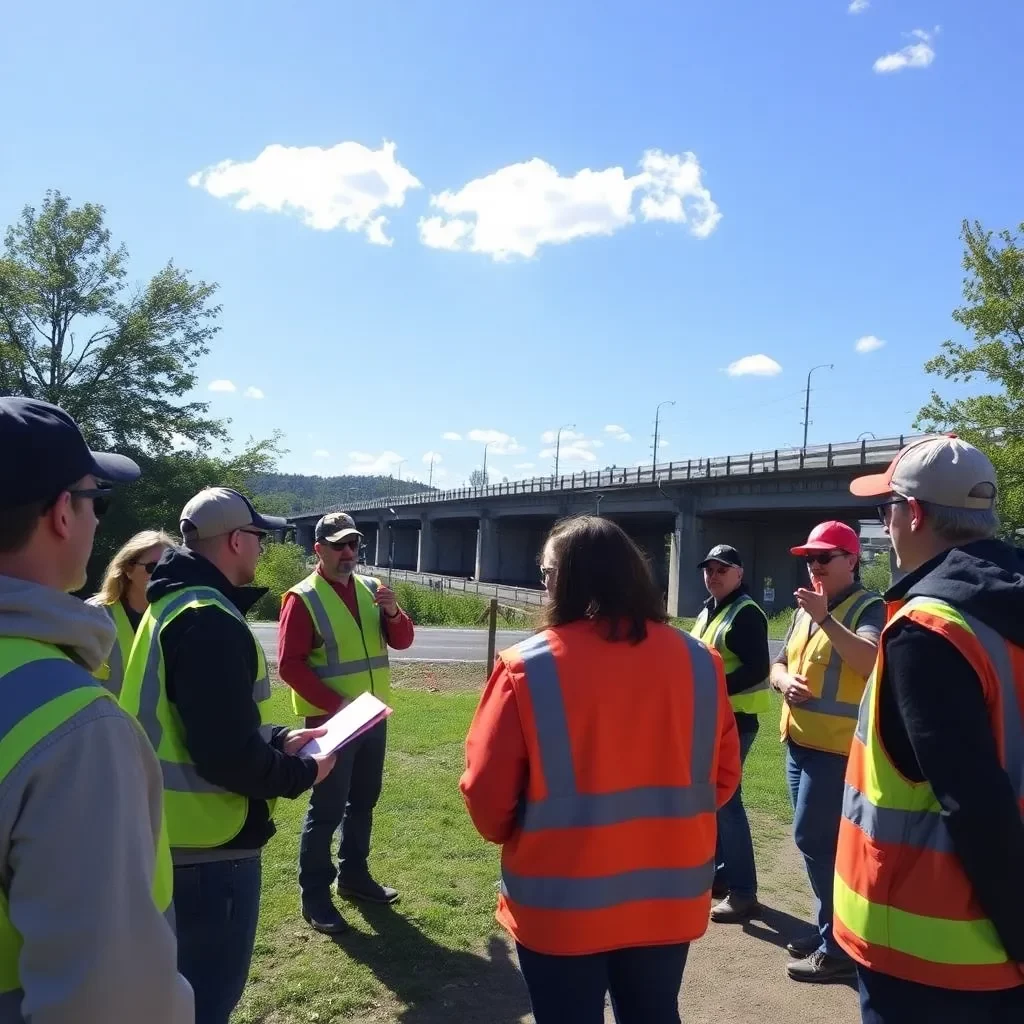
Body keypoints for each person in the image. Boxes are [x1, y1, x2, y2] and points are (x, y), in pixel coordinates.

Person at [460, 515, 741, 1024]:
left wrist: (516, 832)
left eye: (547, 574)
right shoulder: (701, 661)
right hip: (668, 898)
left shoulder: (526, 667)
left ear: (566, 580)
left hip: (561, 900)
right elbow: (721, 778)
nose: (542, 585)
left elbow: (486, 792)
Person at [0, 396, 193, 1023]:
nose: (96, 521)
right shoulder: (72, 728)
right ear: (62, 512)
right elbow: (106, 1001)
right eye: (96, 501)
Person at [118, 487, 336, 1024]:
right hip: (207, 850)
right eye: (258, 538)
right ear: (236, 540)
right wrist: (302, 771)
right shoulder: (206, 617)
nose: (261, 549)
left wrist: (278, 737)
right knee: (206, 1003)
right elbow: (222, 755)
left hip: (167, 835)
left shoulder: (170, 603)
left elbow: (201, 722)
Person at [835, 435, 1024, 1022]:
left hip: (934, 956)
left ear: (912, 514)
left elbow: (973, 802)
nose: (885, 525)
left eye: (884, 509)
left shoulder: (929, 629)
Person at [278, 512, 413, 934]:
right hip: (330, 724)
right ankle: (315, 894)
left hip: (373, 720)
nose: (348, 553)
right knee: (328, 808)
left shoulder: (373, 590)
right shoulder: (302, 598)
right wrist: (337, 705)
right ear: (318, 549)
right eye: (338, 545)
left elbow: (404, 640)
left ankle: (354, 876)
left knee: (364, 801)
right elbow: (289, 666)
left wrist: (393, 613)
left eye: (353, 544)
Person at [770, 520, 883, 983]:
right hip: (798, 742)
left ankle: (839, 948)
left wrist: (824, 618)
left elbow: (871, 661)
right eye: (809, 558)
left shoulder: (868, 606)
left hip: (836, 752)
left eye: (823, 558)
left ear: (851, 561)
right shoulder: (804, 608)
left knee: (817, 843)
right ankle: (829, 932)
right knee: (819, 847)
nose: (813, 565)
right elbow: (778, 662)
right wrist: (781, 681)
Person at [690, 544, 771, 923]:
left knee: (727, 801)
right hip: (715, 720)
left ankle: (743, 892)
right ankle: (722, 876)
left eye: (723, 569)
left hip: (736, 720)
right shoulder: (711, 608)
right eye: (709, 569)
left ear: (739, 574)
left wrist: (714, 689)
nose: (714, 575)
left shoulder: (746, 614)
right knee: (714, 797)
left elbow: (758, 669)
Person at [86, 528, 174, 695]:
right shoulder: (94, 614)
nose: (162, 573)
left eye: (168, 565)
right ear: (128, 569)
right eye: (152, 567)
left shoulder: (176, 615)